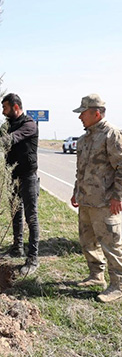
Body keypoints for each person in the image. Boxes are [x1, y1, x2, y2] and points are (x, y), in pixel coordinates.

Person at [71, 94, 122, 303]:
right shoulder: (84, 139)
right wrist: (76, 191)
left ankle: (118, 285)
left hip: (105, 202)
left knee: (112, 245)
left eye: (83, 113)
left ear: (96, 113)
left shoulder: (111, 135)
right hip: (86, 201)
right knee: (87, 241)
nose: (80, 117)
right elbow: (80, 170)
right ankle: (96, 276)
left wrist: (118, 196)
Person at [0, 93, 40, 276]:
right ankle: (17, 247)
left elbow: (11, 139)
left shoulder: (29, 125)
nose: (3, 112)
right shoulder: (7, 124)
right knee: (16, 211)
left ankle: (33, 258)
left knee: (31, 217)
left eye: (5, 108)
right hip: (13, 176)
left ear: (16, 107)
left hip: (28, 177)